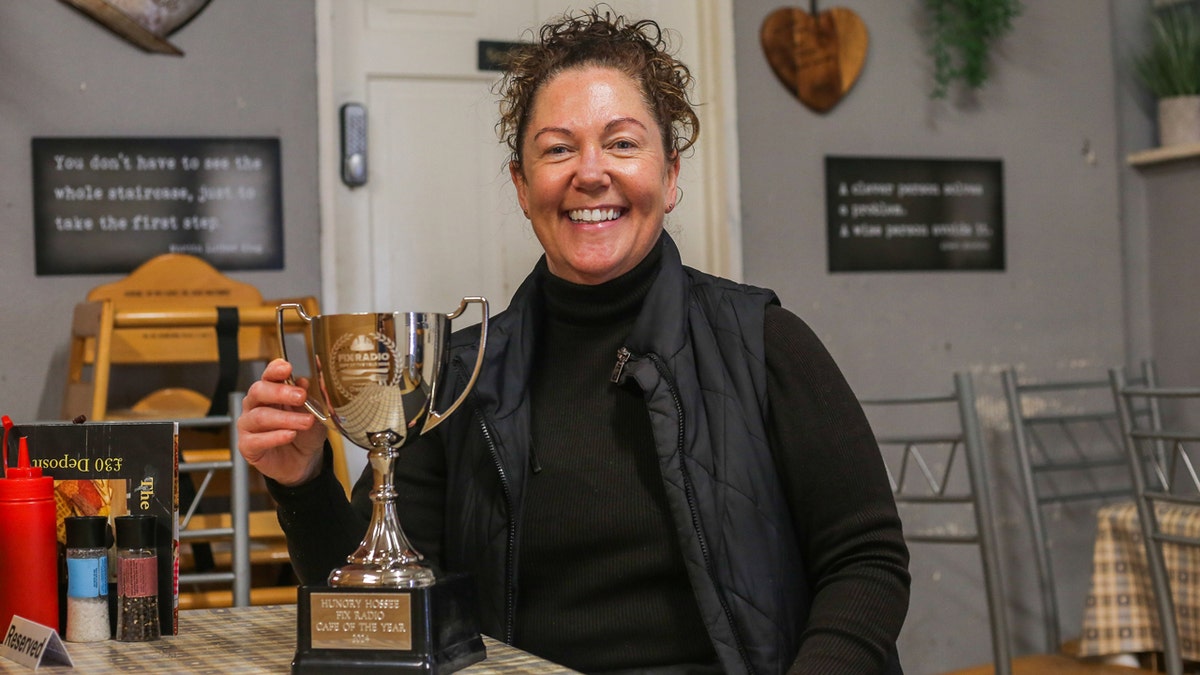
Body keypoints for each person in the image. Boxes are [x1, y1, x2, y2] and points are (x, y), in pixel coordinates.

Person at [238, 7, 909, 674]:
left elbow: (867, 560)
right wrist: (302, 481)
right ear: (522, 187)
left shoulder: (765, 343)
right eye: (558, 148)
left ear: (670, 175)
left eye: (622, 143)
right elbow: (378, 619)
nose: (591, 172)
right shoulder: (456, 380)